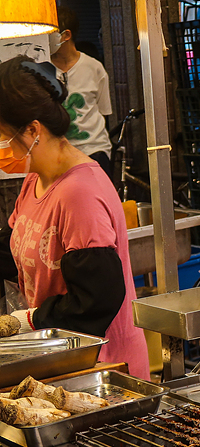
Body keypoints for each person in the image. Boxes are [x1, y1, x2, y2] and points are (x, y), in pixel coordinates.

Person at [0, 56, 149, 380]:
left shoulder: (79, 194)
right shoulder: (35, 179)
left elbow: (95, 301)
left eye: (3, 136)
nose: (1, 146)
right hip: (57, 360)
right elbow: (14, 252)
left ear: (32, 131)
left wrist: (27, 321)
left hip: (101, 370)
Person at [49, 6, 114, 180]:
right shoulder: (42, 69)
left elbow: (103, 112)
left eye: (50, 34)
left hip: (94, 151)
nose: (45, 39)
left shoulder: (94, 68)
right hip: (57, 155)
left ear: (66, 35)